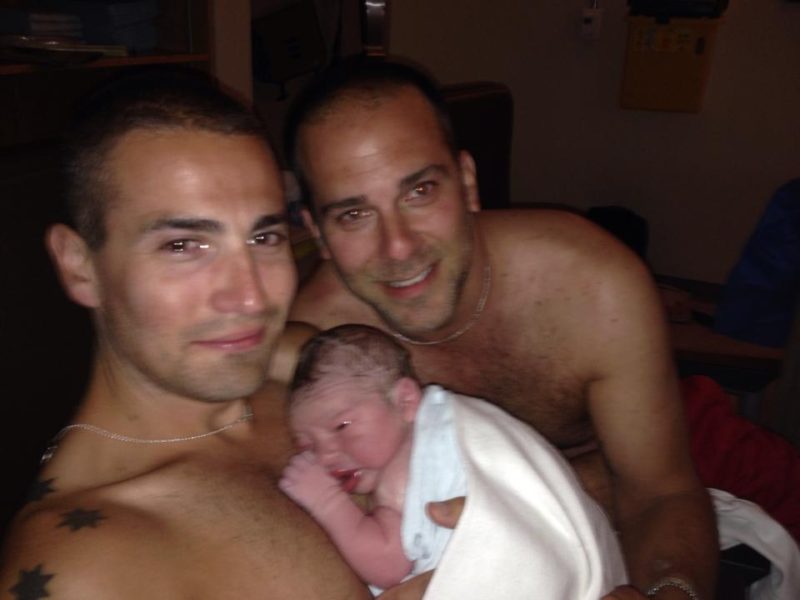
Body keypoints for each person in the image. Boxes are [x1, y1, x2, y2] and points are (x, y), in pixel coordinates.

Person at [284, 58, 719, 599]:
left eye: (420, 191)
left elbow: (660, 493)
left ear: (467, 183)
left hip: (610, 544)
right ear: (318, 234)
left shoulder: (591, 287)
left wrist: (671, 593)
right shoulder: (318, 353)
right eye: (353, 215)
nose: (397, 246)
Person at [0, 69, 380, 599]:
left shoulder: (305, 364)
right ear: (80, 266)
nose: (250, 298)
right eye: (183, 246)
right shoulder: (85, 570)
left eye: (264, 237)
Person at [279, 324, 626, 597]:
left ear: (404, 402)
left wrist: (326, 502)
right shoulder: (445, 418)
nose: (324, 455)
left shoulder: (406, 470)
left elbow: (388, 564)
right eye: (307, 444)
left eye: (341, 426)